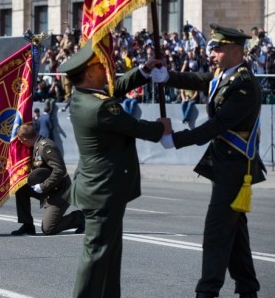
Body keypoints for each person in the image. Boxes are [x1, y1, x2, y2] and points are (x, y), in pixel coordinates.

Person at [152, 24, 265, 298]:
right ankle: (248, 288)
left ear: (236, 51)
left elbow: (218, 124)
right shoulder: (225, 74)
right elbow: (200, 80)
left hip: (236, 167)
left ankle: (207, 291)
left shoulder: (243, 85)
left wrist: (176, 140)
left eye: (218, 49)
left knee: (216, 231)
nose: (212, 54)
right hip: (226, 164)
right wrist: (168, 77)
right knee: (234, 232)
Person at [58, 43, 171, 298]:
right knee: (97, 255)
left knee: (108, 256)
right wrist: (161, 127)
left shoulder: (82, 97)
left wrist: (143, 71)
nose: (106, 68)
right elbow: (134, 126)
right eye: (100, 66)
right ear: (88, 74)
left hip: (101, 189)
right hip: (103, 191)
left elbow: (113, 89)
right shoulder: (100, 107)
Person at [10, 123, 84, 236]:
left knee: (48, 229)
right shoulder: (35, 146)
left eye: (21, 140)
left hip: (60, 192)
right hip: (48, 189)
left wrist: (42, 186)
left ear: (25, 138)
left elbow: (60, 170)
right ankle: (27, 225)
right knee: (21, 188)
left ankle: (80, 218)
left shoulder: (46, 146)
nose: (20, 142)